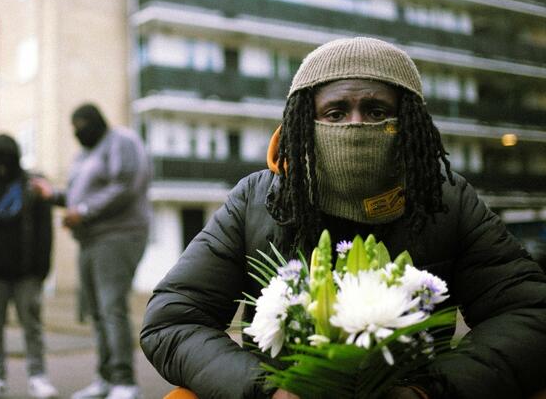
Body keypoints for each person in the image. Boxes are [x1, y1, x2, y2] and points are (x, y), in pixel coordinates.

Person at [140, 37, 546, 399]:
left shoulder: (445, 199)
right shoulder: (257, 199)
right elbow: (173, 320)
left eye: (375, 111)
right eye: (335, 113)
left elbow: (529, 314)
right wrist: (264, 390)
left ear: (409, 124)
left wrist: (432, 389)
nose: (355, 126)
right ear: (304, 121)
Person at [35, 103, 151, 399]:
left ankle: (125, 382)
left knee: (112, 308)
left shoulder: (121, 141)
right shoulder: (84, 154)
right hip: (89, 239)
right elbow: (78, 197)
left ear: (98, 121)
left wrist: (83, 212)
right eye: (73, 127)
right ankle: (105, 379)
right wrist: (54, 196)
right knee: (96, 313)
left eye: (82, 124)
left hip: (119, 235)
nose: (78, 131)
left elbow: (125, 186)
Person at [0, 134, 58, 399]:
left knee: (33, 328)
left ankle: (38, 378)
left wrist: (43, 268)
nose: (1, 165)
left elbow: (44, 228)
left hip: (27, 273)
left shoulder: (31, 186)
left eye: (7, 159)